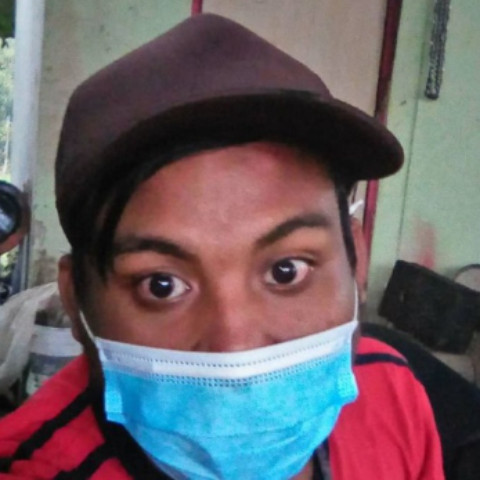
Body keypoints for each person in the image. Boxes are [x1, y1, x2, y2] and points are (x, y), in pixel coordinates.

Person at [0, 13, 444, 480]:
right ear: (76, 303)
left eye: (287, 271)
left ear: (356, 262)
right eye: (161, 285)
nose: (235, 352)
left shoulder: (391, 396)